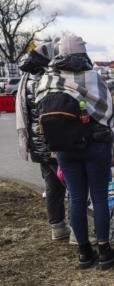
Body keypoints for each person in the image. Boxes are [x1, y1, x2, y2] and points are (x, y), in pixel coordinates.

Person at [35, 33, 114, 269]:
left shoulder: (48, 79)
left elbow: (39, 112)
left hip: (63, 147)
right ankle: (104, 250)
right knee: (99, 198)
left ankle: (84, 253)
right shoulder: (92, 77)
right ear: (82, 52)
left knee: (75, 197)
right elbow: (108, 113)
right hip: (95, 145)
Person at [15, 42, 70, 241]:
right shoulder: (44, 77)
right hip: (52, 143)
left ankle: (57, 227)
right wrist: (55, 145)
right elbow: (49, 114)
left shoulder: (26, 77)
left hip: (37, 144)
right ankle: (75, 230)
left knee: (52, 187)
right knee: (72, 184)